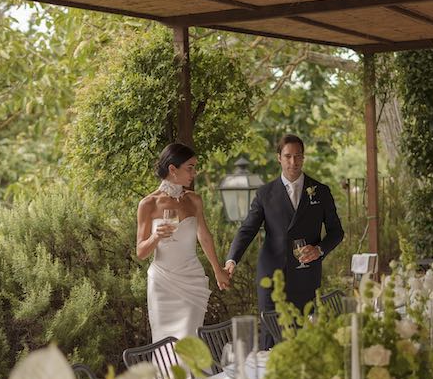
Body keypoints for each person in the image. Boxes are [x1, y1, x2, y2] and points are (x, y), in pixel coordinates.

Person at [225, 133, 344, 318]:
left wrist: (319, 250)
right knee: (272, 337)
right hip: (272, 277)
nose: (293, 162)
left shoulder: (321, 191)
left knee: (304, 333)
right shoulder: (265, 193)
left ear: (303, 158)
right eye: (288, 156)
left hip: (305, 275)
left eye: (298, 156)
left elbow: (336, 232)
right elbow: (248, 229)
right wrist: (232, 259)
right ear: (279, 158)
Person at [136, 143, 230, 342]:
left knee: (190, 341)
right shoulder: (148, 204)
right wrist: (155, 237)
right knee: (165, 343)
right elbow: (141, 252)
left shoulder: (194, 200)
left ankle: (192, 374)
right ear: (172, 169)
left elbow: (204, 236)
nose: (194, 173)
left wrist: (217, 269)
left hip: (192, 279)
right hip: (162, 283)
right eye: (190, 167)